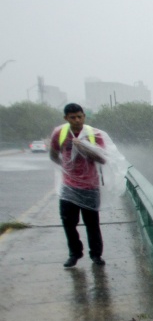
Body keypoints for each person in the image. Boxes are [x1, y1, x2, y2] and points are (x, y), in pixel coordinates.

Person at [49, 103, 107, 267]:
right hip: (69, 186)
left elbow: (102, 158)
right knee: (68, 222)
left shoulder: (94, 134)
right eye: (72, 117)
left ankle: (96, 255)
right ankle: (74, 254)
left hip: (90, 186)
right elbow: (53, 155)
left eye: (79, 116)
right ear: (66, 118)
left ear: (84, 116)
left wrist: (83, 147)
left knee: (92, 224)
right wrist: (66, 169)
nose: (77, 120)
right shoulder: (59, 134)